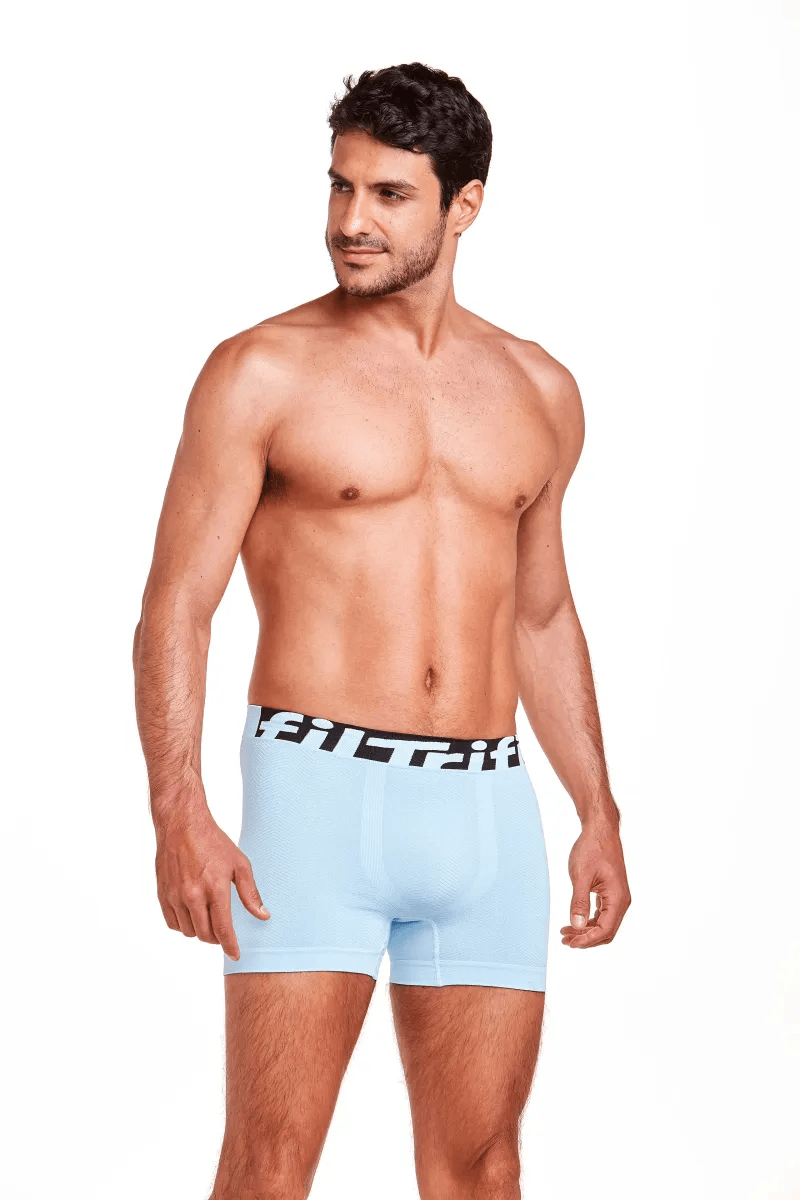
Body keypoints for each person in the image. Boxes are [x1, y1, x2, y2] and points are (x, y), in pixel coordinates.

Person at [133, 61, 631, 1200]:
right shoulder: (261, 371)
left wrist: (597, 810)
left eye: (389, 195)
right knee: (269, 1167)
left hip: (485, 805)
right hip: (315, 801)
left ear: (465, 205)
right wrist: (177, 806)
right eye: (339, 186)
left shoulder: (539, 389)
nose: (349, 222)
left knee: (483, 1169)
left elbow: (542, 613)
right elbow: (177, 603)